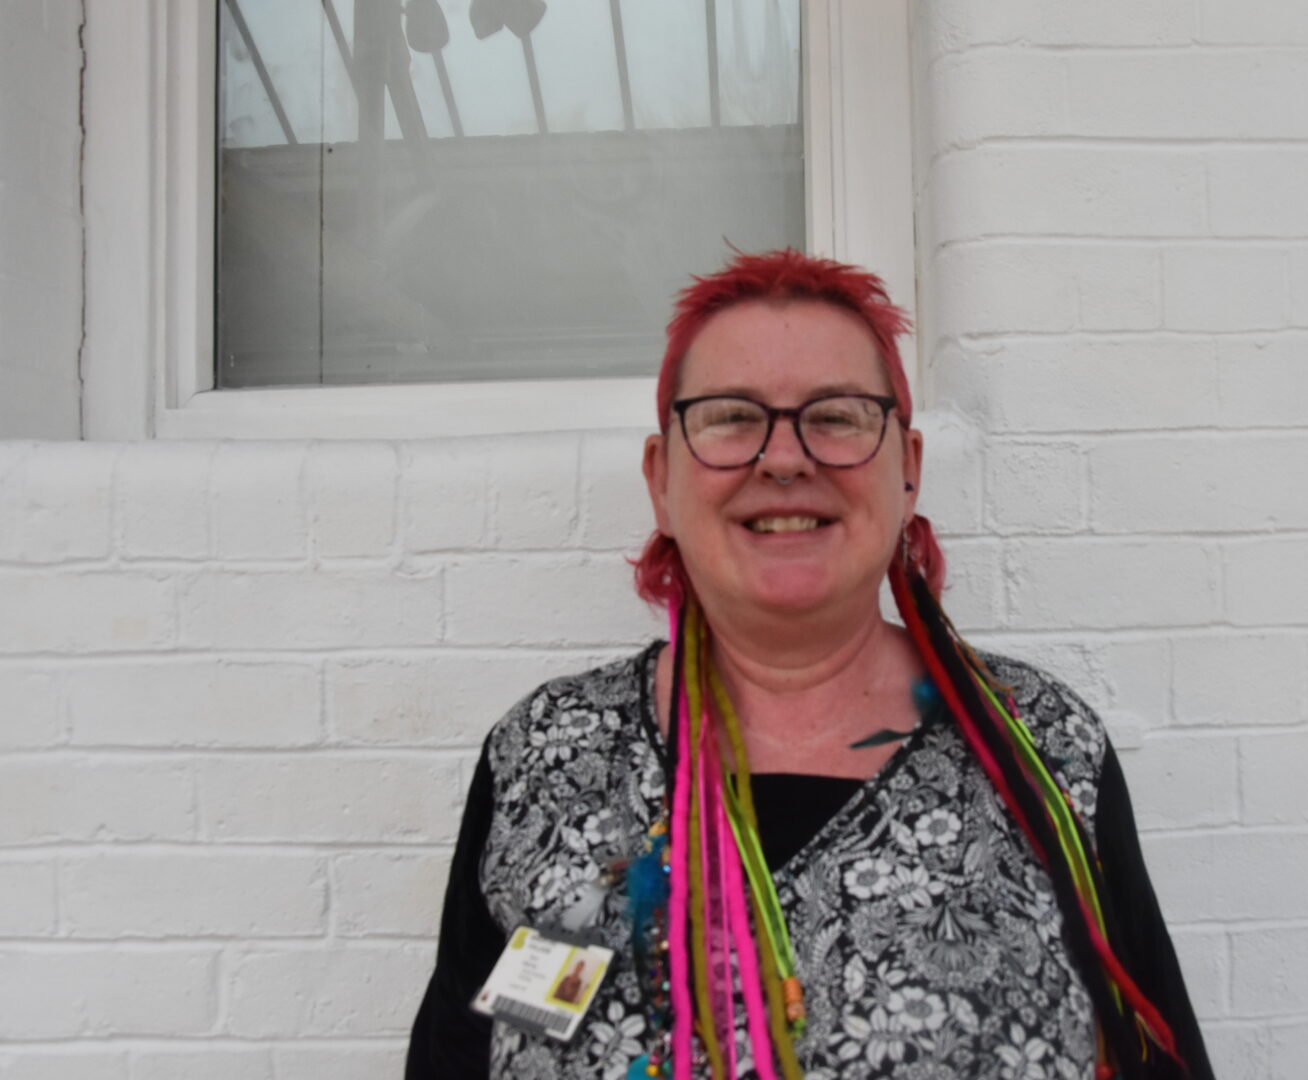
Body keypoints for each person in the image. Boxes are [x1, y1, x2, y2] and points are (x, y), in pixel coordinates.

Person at [407, 249, 1214, 1080]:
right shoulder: (546, 754)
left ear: (908, 468)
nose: (785, 458)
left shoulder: (1045, 745)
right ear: (661, 480)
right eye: (729, 416)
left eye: (836, 416)